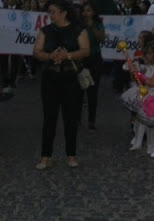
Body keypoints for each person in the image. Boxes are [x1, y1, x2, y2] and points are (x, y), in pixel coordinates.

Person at [32, 0, 89, 169]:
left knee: (70, 117)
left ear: (64, 13)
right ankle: (45, 156)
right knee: (49, 117)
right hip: (50, 77)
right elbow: (37, 51)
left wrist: (67, 55)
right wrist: (50, 56)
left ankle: (71, 154)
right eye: (50, 12)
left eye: (54, 12)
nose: (51, 15)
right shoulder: (46, 31)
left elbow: (85, 50)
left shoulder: (78, 30)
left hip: (70, 78)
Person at [80, 1, 104, 131]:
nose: (86, 13)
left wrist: (92, 27)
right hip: (81, 58)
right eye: (84, 10)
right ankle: (76, 118)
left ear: (93, 12)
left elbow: (102, 39)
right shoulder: (79, 23)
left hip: (94, 58)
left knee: (92, 91)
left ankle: (91, 120)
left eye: (88, 10)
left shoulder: (98, 24)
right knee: (78, 90)